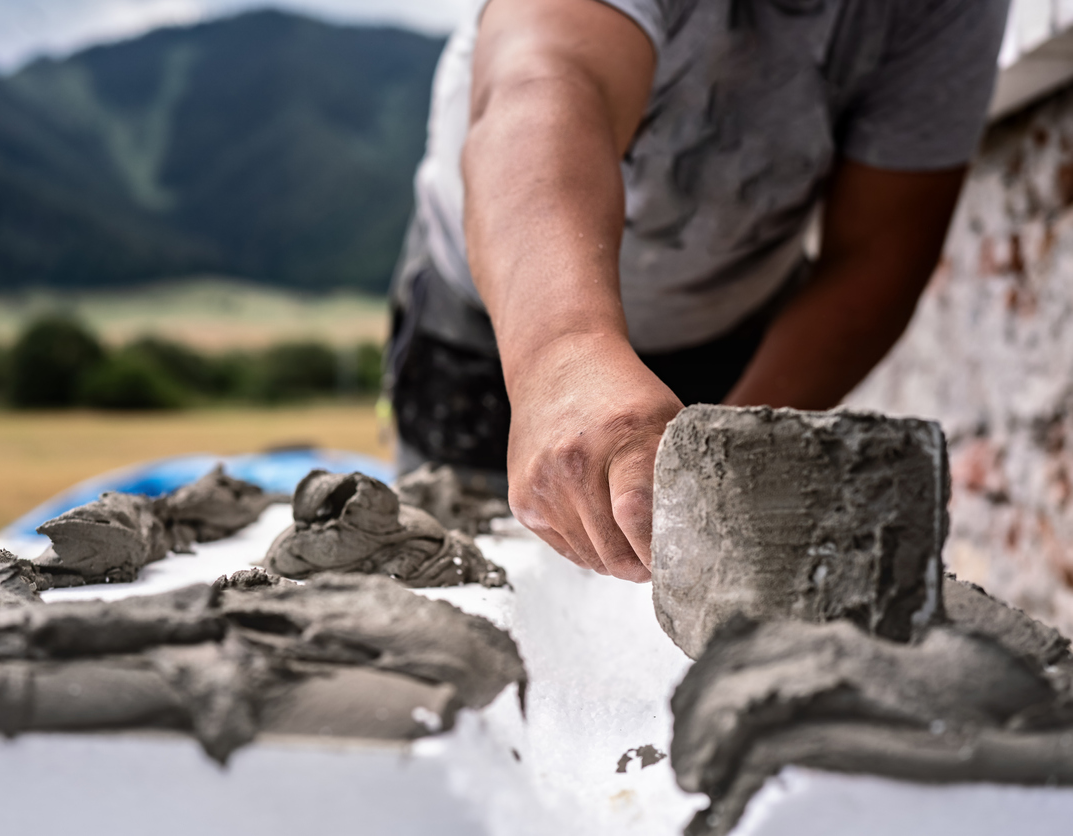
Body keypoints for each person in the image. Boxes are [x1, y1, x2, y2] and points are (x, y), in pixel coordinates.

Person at [387, 0, 1010, 583]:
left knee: (681, 591)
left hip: (727, 333)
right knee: (464, 595)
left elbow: (878, 251)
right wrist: (560, 356)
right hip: (502, 322)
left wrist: (724, 455)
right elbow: (543, 83)